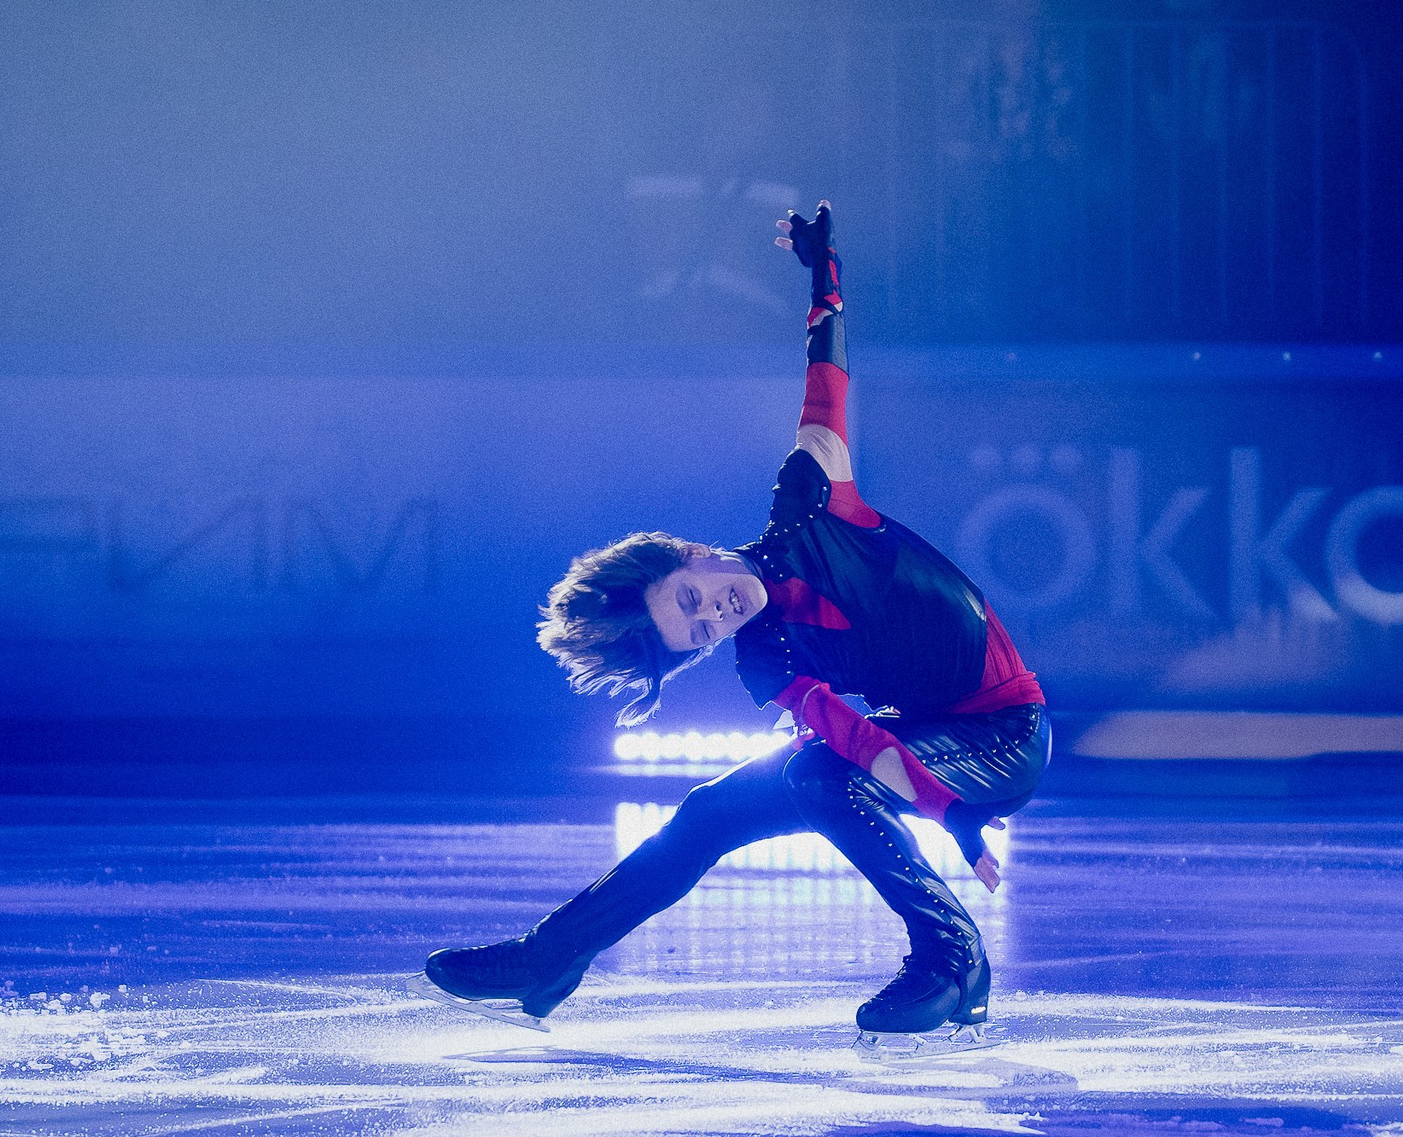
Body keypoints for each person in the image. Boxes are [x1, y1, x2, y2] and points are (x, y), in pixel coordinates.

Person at [421, 203, 1049, 1044]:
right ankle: (550, 957)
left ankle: (953, 954)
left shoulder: (811, 504)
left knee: (816, 778)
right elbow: (856, 742)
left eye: (692, 599)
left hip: (1004, 731)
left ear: (691, 553)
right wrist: (941, 807)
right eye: (698, 633)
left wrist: (824, 272)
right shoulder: (768, 659)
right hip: (920, 735)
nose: (714, 616)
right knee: (715, 809)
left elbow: (827, 378)